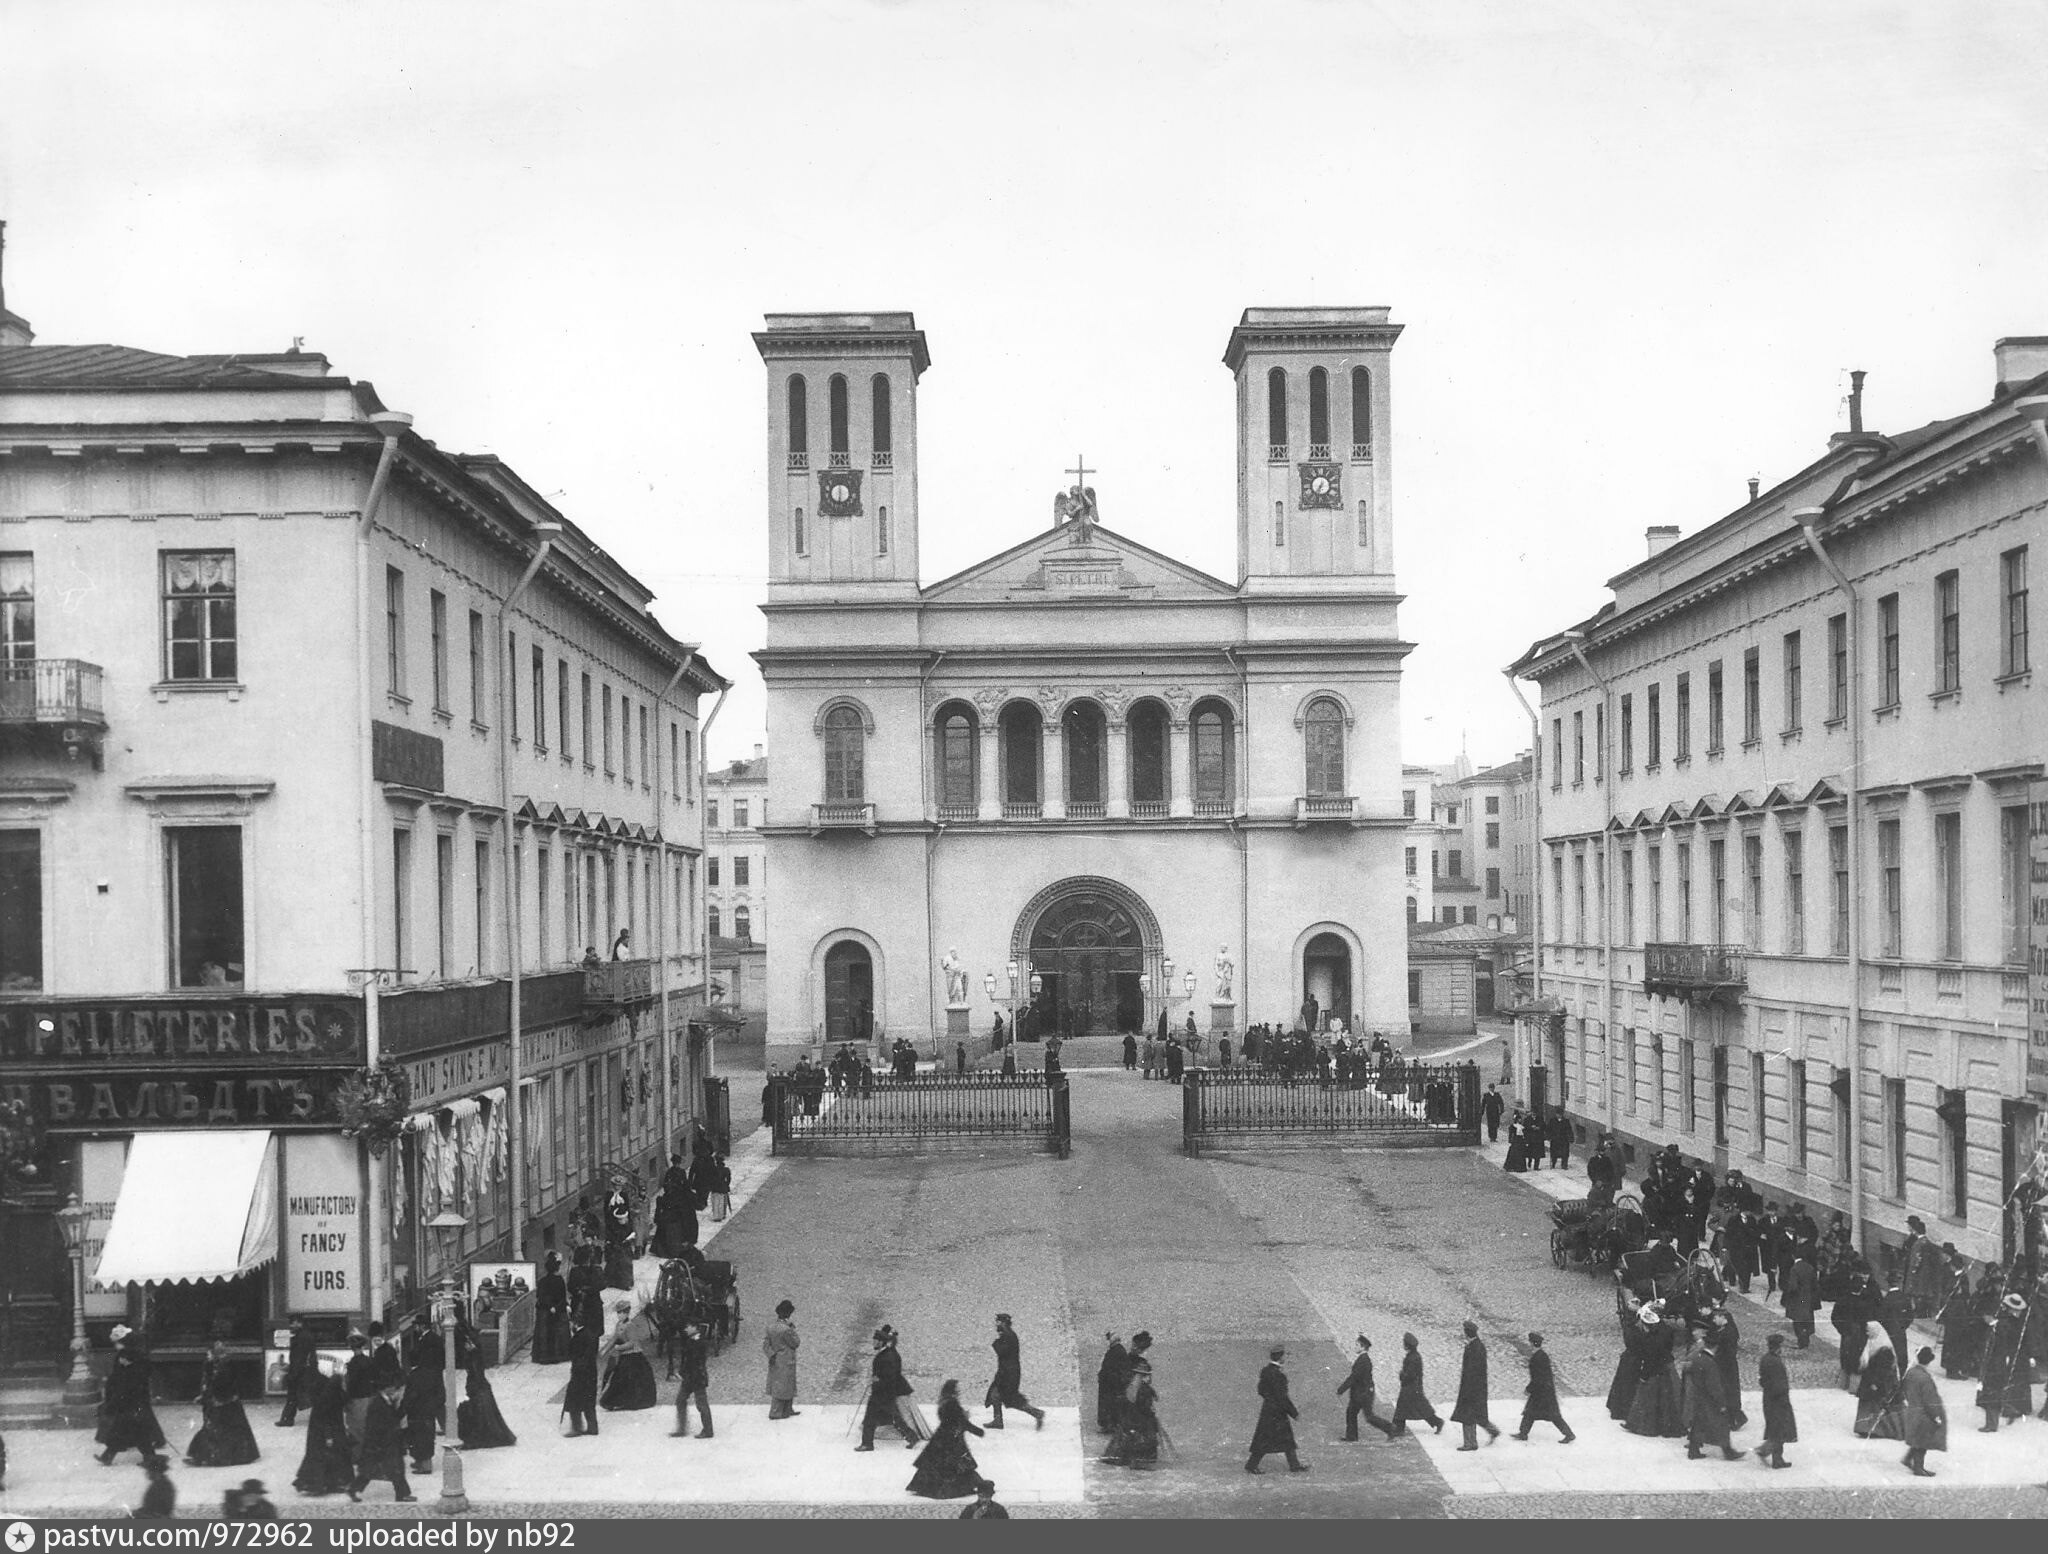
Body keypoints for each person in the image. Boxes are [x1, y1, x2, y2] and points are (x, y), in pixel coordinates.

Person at [95, 1326, 167, 1466]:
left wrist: (129, 1367)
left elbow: (131, 1378)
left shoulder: (133, 1356)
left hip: (131, 1399)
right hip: (129, 1399)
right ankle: (145, 1456)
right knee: (128, 1429)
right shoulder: (128, 1355)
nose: (116, 1345)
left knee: (128, 1428)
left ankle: (111, 1456)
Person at [184, 1340, 260, 1468]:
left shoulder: (223, 1367)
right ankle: (204, 1456)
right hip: (228, 1402)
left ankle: (203, 1457)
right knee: (226, 1430)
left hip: (223, 1403)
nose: (207, 1355)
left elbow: (220, 1385)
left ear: (214, 1353)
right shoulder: (219, 1364)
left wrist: (208, 1397)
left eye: (209, 1353)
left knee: (216, 1430)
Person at [908, 1379, 987, 1500]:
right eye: (957, 1389)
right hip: (952, 1439)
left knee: (935, 1463)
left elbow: (949, 1418)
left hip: (942, 1437)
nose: (959, 1391)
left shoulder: (944, 1402)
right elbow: (961, 1421)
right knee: (956, 1465)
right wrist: (977, 1430)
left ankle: (924, 1486)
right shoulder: (952, 1403)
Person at [857, 1325, 926, 1450]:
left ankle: (867, 1444)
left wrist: (876, 1380)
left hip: (882, 1393)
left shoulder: (888, 1356)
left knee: (871, 1418)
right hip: (883, 1393)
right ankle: (912, 1437)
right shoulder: (886, 1354)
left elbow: (890, 1377)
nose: (873, 1343)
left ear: (881, 1342)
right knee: (893, 1417)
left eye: (875, 1340)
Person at [1099, 1333, 1161, 1469]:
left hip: (1137, 1398)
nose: (1132, 1348)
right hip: (1135, 1398)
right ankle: (1137, 1457)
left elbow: (1136, 1385)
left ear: (1140, 1348)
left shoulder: (1140, 1364)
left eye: (1135, 1346)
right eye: (1133, 1345)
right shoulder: (1137, 1361)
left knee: (1133, 1426)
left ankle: (1132, 1457)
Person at [348, 1380, 415, 1503]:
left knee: (396, 1468)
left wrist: (403, 1407)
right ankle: (353, 1489)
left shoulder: (386, 1401)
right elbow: (375, 1425)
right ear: (386, 1388)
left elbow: (394, 1418)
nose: (395, 1390)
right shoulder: (378, 1403)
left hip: (387, 1441)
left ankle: (402, 1494)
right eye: (393, 1388)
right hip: (380, 1443)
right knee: (372, 1469)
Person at [292, 1367, 356, 1496]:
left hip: (325, 1431)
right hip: (326, 1432)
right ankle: (330, 1483)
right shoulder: (330, 1398)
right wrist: (328, 1436)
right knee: (330, 1457)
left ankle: (329, 1483)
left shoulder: (330, 1394)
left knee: (329, 1457)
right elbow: (327, 1418)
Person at [1245, 1345, 1307, 1473]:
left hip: (1268, 1410)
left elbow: (1261, 1390)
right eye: (1284, 1355)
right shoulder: (1279, 1375)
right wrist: (1294, 1413)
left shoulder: (1265, 1371)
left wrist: (1269, 1400)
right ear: (1280, 1357)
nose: (1285, 1358)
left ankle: (1294, 1465)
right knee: (1283, 1439)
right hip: (1278, 1413)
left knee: (1269, 1439)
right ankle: (1252, 1465)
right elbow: (1283, 1397)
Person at [1624, 1306, 1684, 1438]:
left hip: (1654, 1371)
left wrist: (1644, 1376)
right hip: (1667, 1367)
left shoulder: (1649, 1340)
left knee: (1648, 1399)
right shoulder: (1666, 1331)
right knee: (1670, 1400)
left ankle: (1647, 1426)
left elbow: (1650, 1359)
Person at [1976, 1292, 2034, 1430]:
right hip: (2005, 1359)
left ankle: (1992, 1424)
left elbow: (2000, 1343)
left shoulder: (2004, 1323)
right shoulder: (2015, 1322)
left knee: (1991, 1390)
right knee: (1997, 1388)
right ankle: (2009, 1410)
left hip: (1998, 1360)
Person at [1682, 1335, 1743, 1461]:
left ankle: (1693, 1450)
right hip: (1709, 1400)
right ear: (1716, 1347)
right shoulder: (1710, 1363)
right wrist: (1721, 1403)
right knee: (1722, 1425)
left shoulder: (1696, 1358)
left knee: (1698, 1423)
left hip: (1698, 1397)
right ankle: (1728, 1451)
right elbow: (1714, 1386)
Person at [985, 1313, 1045, 1429]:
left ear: (1003, 1323)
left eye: (998, 1321)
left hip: (1008, 1373)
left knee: (1006, 1398)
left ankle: (1036, 1413)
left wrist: (995, 1343)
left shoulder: (1008, 1335)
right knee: (998, 1396)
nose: (996, 1324)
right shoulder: (1007, 1334)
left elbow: (1002, 1352)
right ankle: (998, 1420)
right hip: (1008, 1371)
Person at [1513, 1332, 1575, 1443]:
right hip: (1543, 1391)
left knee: (1552, 1416)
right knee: (1530, 1413)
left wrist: (1529, 1389)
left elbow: (1537, 1377)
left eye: (1530, 1343)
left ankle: (1569, 1434)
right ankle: (1523, 1433)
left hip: (1542, 1392)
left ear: (1532, 1344)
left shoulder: (1538, 1357)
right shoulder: (1541, 1355)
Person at [598, 1300, 659, 1411]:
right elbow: (614, 1338)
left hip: (634, 1356)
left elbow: (632, 1342)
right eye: (618, 1313)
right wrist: (604, 1350)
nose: (619, 1315)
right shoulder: (619, 1324)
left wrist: (618, 1348)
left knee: (628, 1380)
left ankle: (627, 1402)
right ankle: (614, 1401)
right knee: (619, 1379)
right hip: (625, 1356)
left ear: (627, 1313)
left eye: (621, 1313)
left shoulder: (630, 1325)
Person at [1897, 1345, 1946, 1477]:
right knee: (1922, 1442)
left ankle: (1908, 1459)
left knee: (1917, 1439)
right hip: (1923, 1415)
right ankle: (1918, 1468)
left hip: (1912, 1410)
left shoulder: (1911, 1372)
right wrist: (1936, 1416)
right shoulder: (1925, 1378)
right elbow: (1929, 1400)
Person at [456, 1342, 517, 1449]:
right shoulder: (475, 1355)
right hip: (480, 1388)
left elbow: (475, 1374)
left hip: (478, 1389)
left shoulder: (473, 1358)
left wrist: (472, 1389)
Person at [1449, 1321, 1499, 1450]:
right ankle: (1492, 1431)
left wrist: (1467, 1390)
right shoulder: (1477, 1346)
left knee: (1467, 1415)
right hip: (1477, 1388)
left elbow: (1472, 1371)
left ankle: (1470, 1443)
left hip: (1471, 1388)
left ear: (1467, 1333)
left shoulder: (1474, 1348)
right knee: (1478, 1415)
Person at [1338, 1335, 1397, 1442]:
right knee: (1351, 1412)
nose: (1354, 1347)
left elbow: (1354, 1377)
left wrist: (1341, 1389)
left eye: (1357, 1345)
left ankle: (1390, 1428)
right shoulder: (1363, 1359)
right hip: (1360, 1393)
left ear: (1362, 1347)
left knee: (1369, 1417)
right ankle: (1351, 1436)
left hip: (1363, 1394)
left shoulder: (1363, 1361)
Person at [399, 1340, 443, 1476]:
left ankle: (424, 1465)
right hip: (429, 1412)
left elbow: (409, 1396)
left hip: (416, 1413)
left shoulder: (414, 1376)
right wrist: (434, 1406)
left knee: (416, 1438)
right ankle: (424, 1462)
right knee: (428, 1437)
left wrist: (403, 1409)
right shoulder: (434, 1373)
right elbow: (442, 1394)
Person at [1755, 1333, 1795, 1469]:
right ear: (1779, 1347)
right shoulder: (1776, 1362)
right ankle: (1769, 1454)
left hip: (1769, 1399)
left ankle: (1775, 1457)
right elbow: (1780, 1385)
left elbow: (1762, 1380)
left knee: (1775, 1429)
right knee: (1780, 1430)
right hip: (1778, 1401)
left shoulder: (1765, 1359)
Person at [1391, 1331, 1443, 1436]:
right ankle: (1436, 1422)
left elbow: (1409, 1374)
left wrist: (1402, 1375)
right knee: (1418, 1407)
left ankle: (1398, 1428)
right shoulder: (1414, 1356)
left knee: (1407, 1408)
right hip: (1413, 1387)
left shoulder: (1413, 1358)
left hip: (1411, 1387)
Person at [670, 1321, 713, 1440]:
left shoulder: (699, 1341)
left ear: (694, 1327)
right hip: (690, 1377)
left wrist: (681, 1372)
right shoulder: (691, 1340)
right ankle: (681, 1429)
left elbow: (693, 1360)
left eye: (688, 1327)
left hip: (697, 1377)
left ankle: (708, 1430)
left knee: (701, 1404)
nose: (686, 1329)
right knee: (680, 1400)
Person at [563, 1312, 601, 1437]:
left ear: (575, 1323)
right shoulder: (591, 1335)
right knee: (589, 1400)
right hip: (591, 1372)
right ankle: (592, 1427)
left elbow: (572, 1353)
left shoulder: (578, 1337)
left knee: (574, 1399)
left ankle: (576, 1428)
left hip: (580, 1373)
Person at [278, 1317, 318, 1428]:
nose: (291, 1326)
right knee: (300, 1396)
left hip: (299, 1372)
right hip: (304, 1370)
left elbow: (298, 1358)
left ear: (299, 1323)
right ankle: (287, 1418)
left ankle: (287, 1419)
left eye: (293, 1323)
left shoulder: (301, 1337)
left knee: (292, 1396)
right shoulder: (305, 1335)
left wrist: (293, 1374)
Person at [764, 1299, 801, 1419]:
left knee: (779, 1384)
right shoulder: (787, 1329)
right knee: (785, 1385)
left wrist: (771, 1355)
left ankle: (787, 1409)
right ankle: (776, 1411)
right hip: (786, 1360)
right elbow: (795, 1343)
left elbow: (766, 1345)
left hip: (776, 1359)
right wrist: (793, 1329)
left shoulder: (770, 1327)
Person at [533, 1251, 569, 1365]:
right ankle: (558, 1355)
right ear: (556, 1269)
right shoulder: (559, 1280)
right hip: (556, 1311)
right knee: (556, 1333)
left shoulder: (542, 1281)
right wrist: (556, 1307)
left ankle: (543, 1356)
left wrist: (549, 1306)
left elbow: (540, 1296)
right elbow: (562, 1297)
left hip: (544, 1311)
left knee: (544, 1334)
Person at [1782, 1252, 1818, 1350]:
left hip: (1798, 1299)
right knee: (1807, 1320)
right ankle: (1806, 1340)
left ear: (1793, 1256)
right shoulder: (1810, 1267)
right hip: (1808, 1298)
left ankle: (1801, 1342)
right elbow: (1815, 1285)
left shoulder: (1794, 1269)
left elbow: (1793, 1287)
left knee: (1798, 1322)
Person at [1095, 1333, 1129, 1436]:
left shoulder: (1115, 1351)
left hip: (1110, 1384)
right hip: (1111, 1383)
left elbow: (1111, 1368)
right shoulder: (1119, 1350)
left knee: (1109, 1405)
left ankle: (1109, 1426)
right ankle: (1112, 1425)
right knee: (1111, 1405)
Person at [133, 1452, 176, 1520]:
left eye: (149, 1471)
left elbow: (160, 1511)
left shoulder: (163, 1486)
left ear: (155, 1471)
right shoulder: (159, 1483)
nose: (147, 1473)